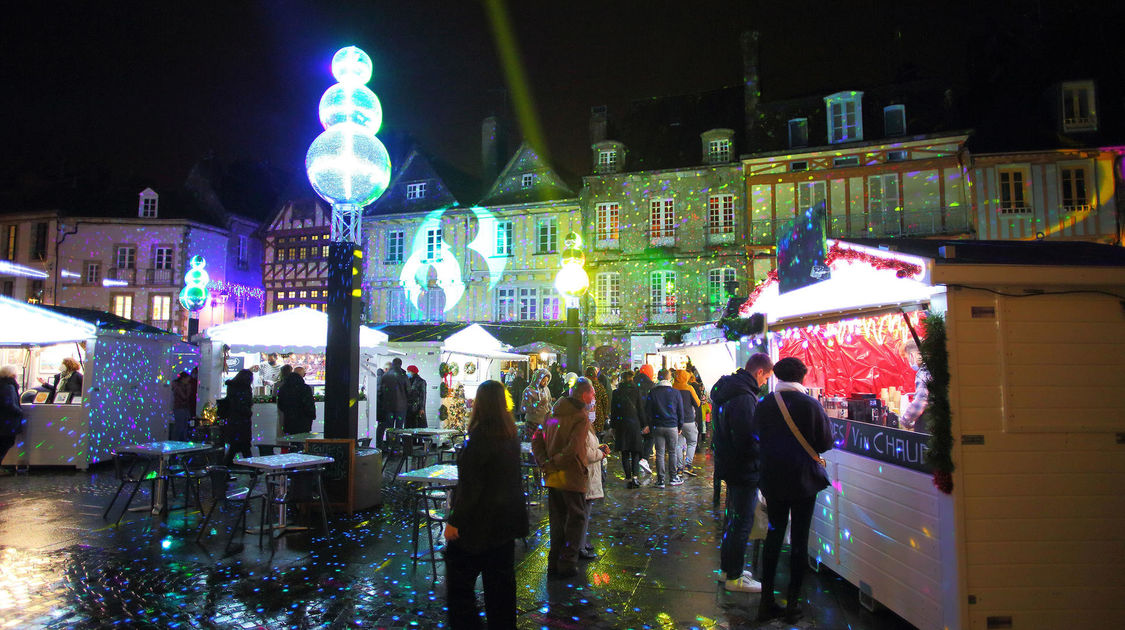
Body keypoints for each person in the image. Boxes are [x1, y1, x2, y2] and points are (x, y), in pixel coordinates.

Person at [753, 357, 833, 623]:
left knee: (773, 536)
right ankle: (793, 605)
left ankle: (766, 601)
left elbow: (755, 438)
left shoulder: (763, 405)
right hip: (803, 481)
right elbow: (824, 443)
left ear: (777, 376)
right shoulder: (811, 405)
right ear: (802, 377)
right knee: (799, 539)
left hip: (773, 479)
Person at [444, 380, 528, 629]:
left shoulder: (480, 438)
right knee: (501, 590)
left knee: (460, 589)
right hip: (505, 524)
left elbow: (471, 488)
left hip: (478, 526)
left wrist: (454, 522)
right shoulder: (510, 435)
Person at [711, 353, 774, 593]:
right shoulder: (744, 397)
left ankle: (728, 569)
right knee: (742, 522)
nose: (765, 382)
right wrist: (760, 457)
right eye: (766, 377)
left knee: (733, 520)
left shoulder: (728, 390)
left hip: (730, 464)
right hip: (744, 468)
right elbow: (747, 437)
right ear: (759, 372)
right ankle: (734, 577)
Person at [531, 377, 593, 579]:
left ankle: (553, 561)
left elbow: (536, 440)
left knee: (557, 519)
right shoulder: (580, 416)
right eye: (591, 393)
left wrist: (544, 462)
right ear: (584, 395)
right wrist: (554, 462)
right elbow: (573, 449)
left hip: (553, 476)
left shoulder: (552, 413)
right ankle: (566, 562)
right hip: (572, 475)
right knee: (576, 519)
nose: (593, 397)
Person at [644, 369, 684, 489]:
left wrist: (650, 425)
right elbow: (680, 411)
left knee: (660, 453)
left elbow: (648, 410)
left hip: (658, 426)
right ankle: (673, 477)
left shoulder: (653, 392)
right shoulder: (675, 392)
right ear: (668, 378)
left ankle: (660, 480)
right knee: (672, 452)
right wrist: (680, 425)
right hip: (672, 425)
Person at [579, 423, 610, 560]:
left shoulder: (587, 426)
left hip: (590, 475)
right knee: (582, 512)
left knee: (586, 511)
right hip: (585, 476)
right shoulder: (580, 426)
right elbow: (586, 453)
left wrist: (599, 449)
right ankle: (579, 545)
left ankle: (581, 541)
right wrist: (600, 453)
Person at [610, 371, 644, 489]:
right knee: (635, 451)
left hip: (621, 424)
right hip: (634, 424)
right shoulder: (636, 391)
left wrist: (613, 426)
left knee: (624, 452)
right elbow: (640, 409)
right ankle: (635, 477)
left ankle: (629, 478)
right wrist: (644, 424)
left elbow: (613, 411)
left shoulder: (616, 392)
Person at [219, 369, 255, 466]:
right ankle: (252, 469)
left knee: (236, 447)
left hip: (233, 420)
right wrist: (248, 412)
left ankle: (225, 470)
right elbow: (243, 404)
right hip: (242, 421)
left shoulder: (232, 387)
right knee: (243, 446)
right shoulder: (245, 388)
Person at [672, 369, 701, 477]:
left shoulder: (672, 388)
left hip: (676, 421)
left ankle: (679, 468)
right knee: (692, 442)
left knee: (678, 445)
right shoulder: (689, 388)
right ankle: (688, 465)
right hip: (688, 420)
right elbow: (697, 403)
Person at [0, 365, 25, 474]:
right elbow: (9, 404)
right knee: (6, 443)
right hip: (8, 421)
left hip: (3, 420)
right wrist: (20, 412)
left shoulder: (3, 384)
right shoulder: (9, 386)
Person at [900, 340, 929, 432]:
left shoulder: (924, 372)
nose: (909, 362)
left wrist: (905, 420)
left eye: (908, 358)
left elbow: (919, 402)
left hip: (929, 426)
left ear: (912, 355)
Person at [277, 366, 316, 436]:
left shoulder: (283, 388)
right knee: (302, 441)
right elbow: (309, 405)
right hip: (304, 422)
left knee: (292, 441)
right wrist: (311, 416)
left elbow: (281, 405)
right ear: (302, 375)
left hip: (289, 420)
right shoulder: (305, 388)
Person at [379, 357, 410, 441]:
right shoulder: (404, 376)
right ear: (400, 364)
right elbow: (408, 390)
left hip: (388, 406)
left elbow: (381, 391)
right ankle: (397, 446)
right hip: (401, 407)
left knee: (389, 428)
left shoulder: (385, 375)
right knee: (399, 428)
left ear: (392, 364)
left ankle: (390, 445)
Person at [634, 364, 656, 474]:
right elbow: (650, 406)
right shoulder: (651, 386)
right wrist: (648, 423)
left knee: (638, 439)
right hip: (646, 418)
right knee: (650, 437)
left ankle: (636, 462)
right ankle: (644, 459)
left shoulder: (633, 383)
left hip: (633, 418)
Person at [584, 366, 609, 436]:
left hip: (585, 417)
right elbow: (605, 402)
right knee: (597, 439)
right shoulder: (599, 387)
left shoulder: (583, 386)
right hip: (598, 417)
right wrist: (604, 414)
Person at [170, 371, 195, 441]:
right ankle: (176, 440)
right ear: (183, 379)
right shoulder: (177, 386)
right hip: (179, 408)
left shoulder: (186, 386)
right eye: (187, 379)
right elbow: (184, 397)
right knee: (179, 425)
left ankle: (182, 440)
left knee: (185, 426)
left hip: (185, 408)